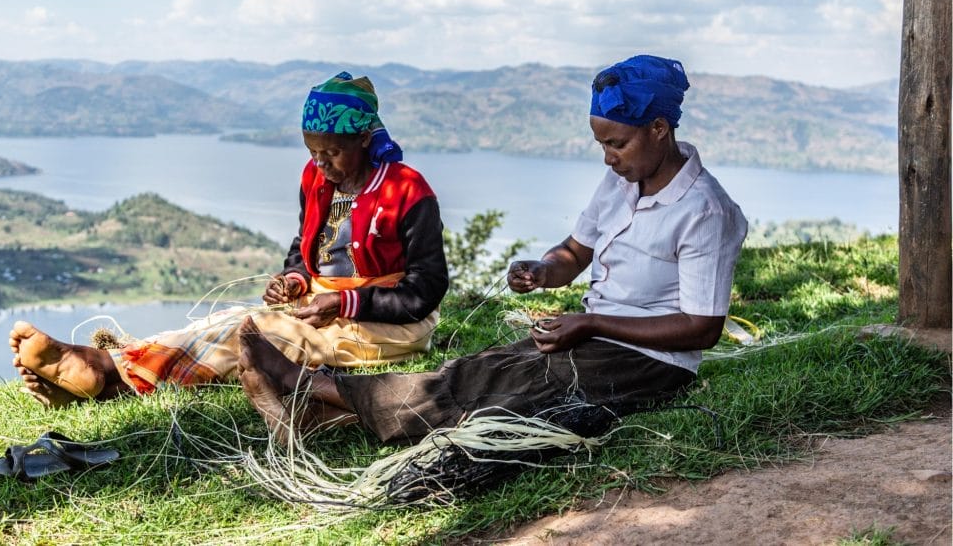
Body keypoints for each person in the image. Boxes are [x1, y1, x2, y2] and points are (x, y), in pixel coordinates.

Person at [235, 54, 747, 446]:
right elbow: (573, 252)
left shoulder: (706, 211)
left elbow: (701, 328)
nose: (608, 158)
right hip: (601, 338)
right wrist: (543, 270)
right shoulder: (621, 184)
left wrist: (592, 324)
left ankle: (316, 388)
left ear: (659, 130)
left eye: (617, 144)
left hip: (652, 362)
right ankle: (324, 414)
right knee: (486, 367)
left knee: (512, 392)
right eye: (602, 145)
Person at [9, 72, 449, 406]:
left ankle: (106, 370)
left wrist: (345, 303)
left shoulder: (407, 191)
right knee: (223, 323)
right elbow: (306, 247)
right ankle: (107, 378)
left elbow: (426, 291)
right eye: (313, 151)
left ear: (365, 140)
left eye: (333, 152)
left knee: (264, 335)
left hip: (393, 326)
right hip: (323, 308)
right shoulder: (316, 181)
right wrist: (294, 279)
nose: (322, 164)